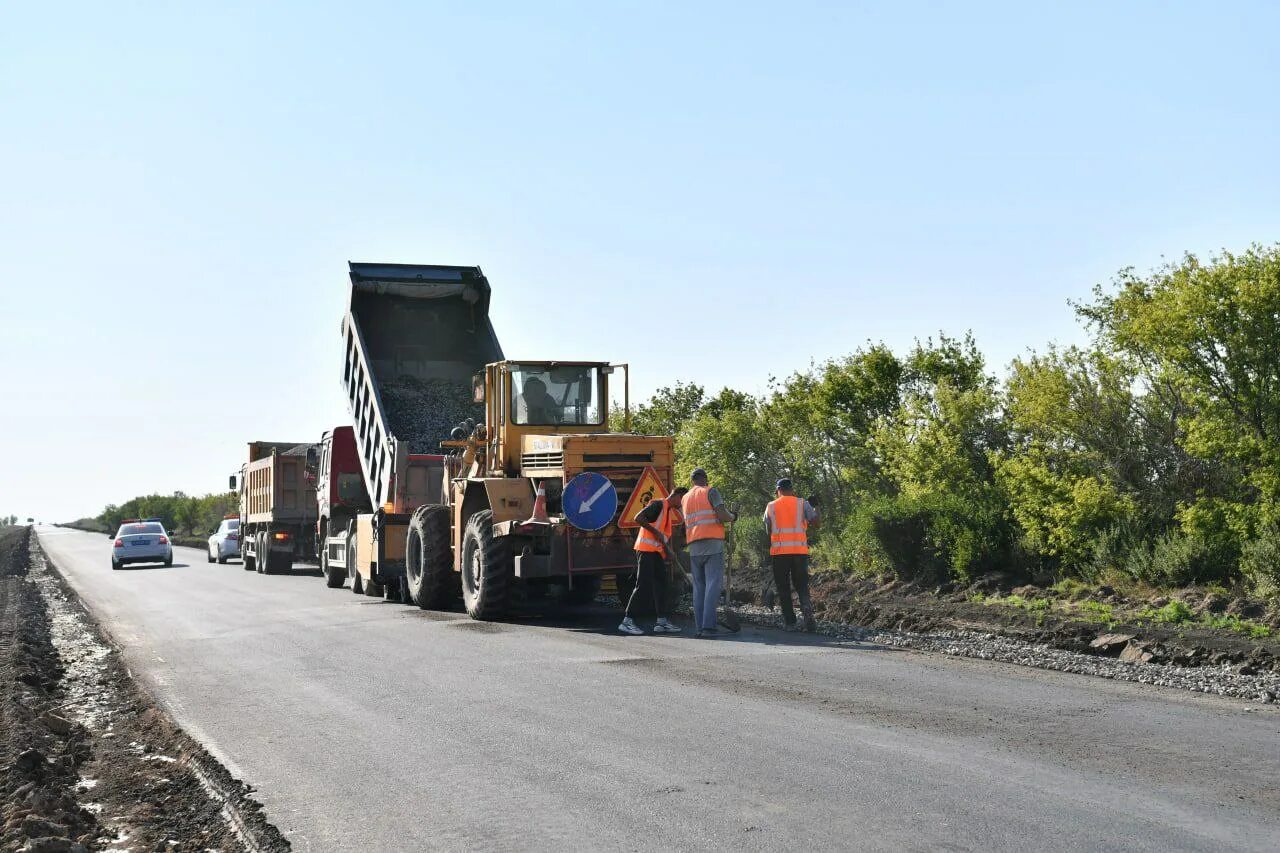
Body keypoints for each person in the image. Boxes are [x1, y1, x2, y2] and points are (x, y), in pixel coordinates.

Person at [619, 486, 688, 635]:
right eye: (682, 500)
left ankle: (661, 622)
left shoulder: (667, 511)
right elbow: (638, 518)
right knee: (642, 585)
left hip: (655, 552)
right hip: (645, 550)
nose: (682, 504)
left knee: (662, 584)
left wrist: (668, 551)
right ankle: (627, 621)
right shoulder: (658, 505)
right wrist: (656, 532)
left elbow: (663, 536)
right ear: (677, 495)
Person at [681, 468, 737, 638]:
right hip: (712, 544)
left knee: (699, 587)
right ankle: (708, 627)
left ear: (692, 481)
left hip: (694, 546)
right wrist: (733, 517)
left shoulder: (685, 498)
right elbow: (721, 514)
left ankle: (700, 627)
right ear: (704, 478)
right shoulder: (710, 491)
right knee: (713, 584)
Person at [763, 478, 819, 632]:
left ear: (778, 490)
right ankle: (806, 609)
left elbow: (768, 530)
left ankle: (790, 622)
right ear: (792, 489)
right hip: (800, 552)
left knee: (783, 587)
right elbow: (816, 522)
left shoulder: (771, 506)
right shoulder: (802, 503)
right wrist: (816, 507)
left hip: (780, 553)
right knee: (801, 585)